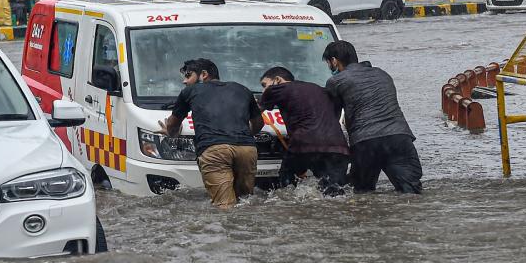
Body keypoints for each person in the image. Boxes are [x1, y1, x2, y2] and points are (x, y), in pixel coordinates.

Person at [160, 58, 263, 208]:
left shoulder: (190, 91)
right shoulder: (242, 89)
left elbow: (173, 124)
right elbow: (259, 123)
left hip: (214, 150)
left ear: (203, 74)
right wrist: (243, 136)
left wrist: (171, 133)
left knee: (224, 207)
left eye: (188, 75)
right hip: (247, 150)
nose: (184, 81)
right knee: (246, 202)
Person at [322, 40, 422, 194]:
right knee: (411, 190)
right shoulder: (382, 74)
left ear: (334, 61)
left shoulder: (336, 81)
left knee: (364, 192)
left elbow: (332, 117)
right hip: (399, 136)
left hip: (365, 141)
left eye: (328, 63)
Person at [259, 66, 349, 196]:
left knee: (285, 189)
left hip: (304, 144)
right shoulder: (320, 90)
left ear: (277, 80)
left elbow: (256, 111)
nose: (263, 90)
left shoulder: (276, 89)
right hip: (338, 147)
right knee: (334, 193)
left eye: (264, 85)